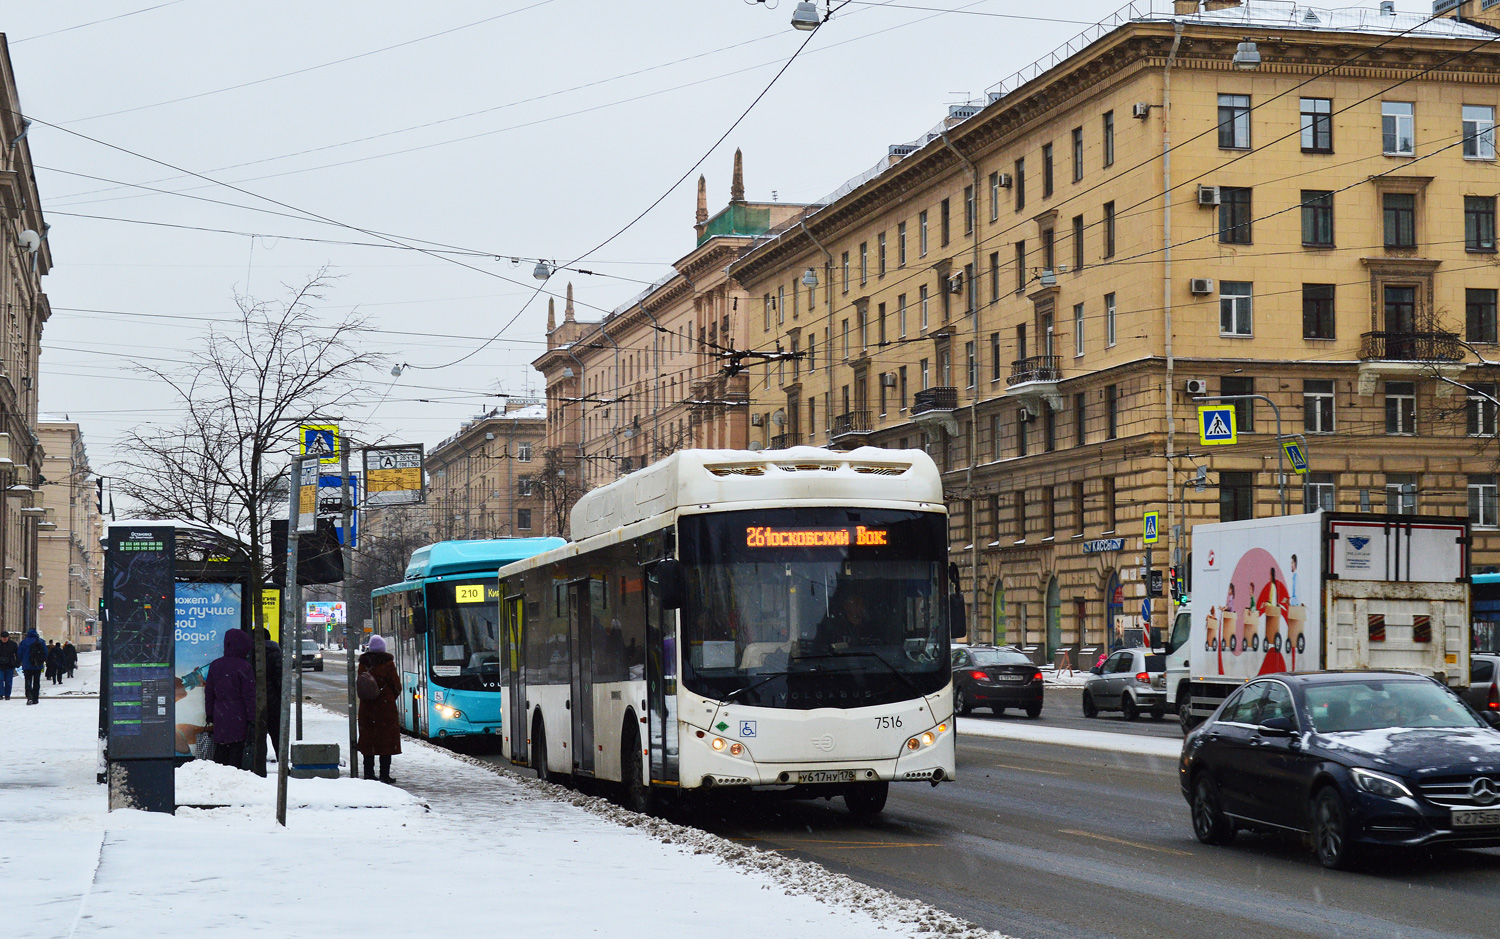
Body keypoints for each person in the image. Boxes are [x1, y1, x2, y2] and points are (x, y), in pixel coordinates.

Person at [204, 628, 257, 770]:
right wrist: (252, 718)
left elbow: (209, 692)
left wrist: (210, 713)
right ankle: (234, 775)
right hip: (238, 713)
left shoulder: (215, 665)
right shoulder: (244, 667)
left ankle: (219, 774)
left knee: (221, 749)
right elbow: (249, 695)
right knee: (236, 749)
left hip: (219, 712)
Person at [357, 635, 402, 783]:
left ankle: (369, 773)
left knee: (368, 742)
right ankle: (384, 775)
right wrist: (387, 698)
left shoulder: (363, 663)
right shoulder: (388, 663)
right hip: (385, 710)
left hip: (367, 708)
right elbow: (397, 685)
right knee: (386, 743)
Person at [17, 628, 45, 705]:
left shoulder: (24, 642)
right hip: (37, 665)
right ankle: (35, 698)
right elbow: (45, 653)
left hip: (27, 666)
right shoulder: (41, 642)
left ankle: (29, 697)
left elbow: (19, 653)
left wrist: (20, 661)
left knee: (28, 682)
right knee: (36, 682)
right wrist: (42, 661)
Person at [0, 631, 17, 700]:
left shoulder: (13, 644)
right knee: (0, 680)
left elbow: (17, 653)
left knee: (8, 681)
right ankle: (1, 694)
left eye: (6, 637)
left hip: (9, 665)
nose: (4, 639)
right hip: (0, 665)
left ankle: (7, 695)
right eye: (3, 637)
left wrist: (17, 662)